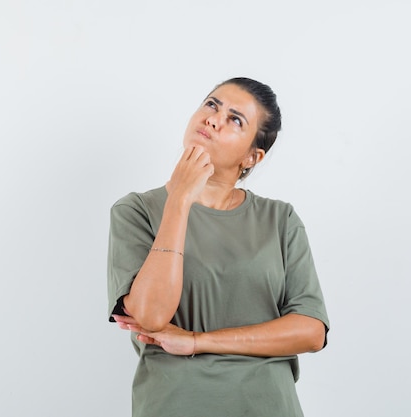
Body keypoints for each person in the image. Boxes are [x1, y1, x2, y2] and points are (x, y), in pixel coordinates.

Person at [107, 77, 329, 417]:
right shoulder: (136, 211)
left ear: (252, 157)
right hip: (175, 405)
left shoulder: (279, 219)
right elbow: (150, 317)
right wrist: (179, 200)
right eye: (212, 105)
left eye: (235, 119)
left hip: (267, 406)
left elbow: (311, 331)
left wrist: (198, 341)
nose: (213, 119)